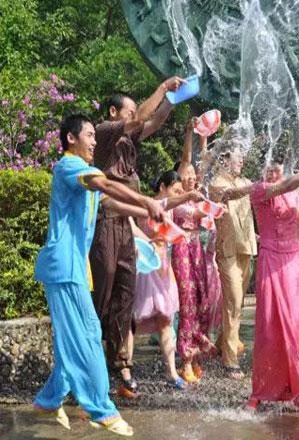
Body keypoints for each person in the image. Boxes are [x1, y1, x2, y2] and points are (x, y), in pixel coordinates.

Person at [33, 113, 166, 437]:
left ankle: (49, 400)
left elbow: (113, 202)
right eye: (90, 135)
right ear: (70, 139)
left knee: (74, 338)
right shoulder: (69, 167)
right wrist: (146, 200)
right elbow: (105, 184)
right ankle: (100, 408)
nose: (94, 141)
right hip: (63, 268)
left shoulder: (84, 177)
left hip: (73, 269)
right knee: (89, 334)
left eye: (95, 135)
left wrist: (154, 211)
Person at [90, 76, 185, 398]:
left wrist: (173, 99)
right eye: (129, 112)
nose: (134, 118)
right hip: (107, 221)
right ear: (114, 113)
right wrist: (161, 87)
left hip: (127, 223)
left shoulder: (130, 139)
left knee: (124, 295)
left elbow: (154, 121)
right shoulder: (104, 134)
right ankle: (93, 367)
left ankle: (122, 366)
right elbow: (144, 116)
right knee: (103, 295)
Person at [223, 161, 299, 416]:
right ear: (263, 172)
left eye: (278, 169)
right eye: (270, 169)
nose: (274, 173)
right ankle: (259, 393)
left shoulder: (293, 192)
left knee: (297, 328)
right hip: (271, 259)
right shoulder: (261, 189)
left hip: (293, 261)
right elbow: (285, 185)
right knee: (270, 326)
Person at [130, 170, 203, 390]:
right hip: (147, 268)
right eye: (175, 189)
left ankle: (171, 372)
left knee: (166, 320)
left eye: (181, 191)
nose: (178, 194)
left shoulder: (167, 209)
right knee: (134, 322)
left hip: (164, 268)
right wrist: (187, 196)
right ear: (162, 187)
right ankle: (125, 370)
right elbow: (164, 206)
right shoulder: (152, 204)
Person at [170, 121, 222, 384]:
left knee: (203, 298)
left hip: (197, 249)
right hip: (180, 247)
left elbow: (203, 162)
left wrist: (205, 138)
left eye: (193, 175)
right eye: (186, 174)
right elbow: (188, 159)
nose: (191, 176)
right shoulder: (179, 193)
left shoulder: (198, 195)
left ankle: (198, 350)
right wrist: (190, 132)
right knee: (187, 300)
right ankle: (186, 359)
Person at [210, 149, 257, 379]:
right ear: (224, 159)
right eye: (236, 157)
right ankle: (230, 361)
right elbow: (234, 193)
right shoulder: (217, 183)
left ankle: (221, 344)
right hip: (227, 250)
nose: (241, 161)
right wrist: (258, 186)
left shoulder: (247, 181)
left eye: (241, 157)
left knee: (236, 304)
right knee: (234, 301)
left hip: (246, 247)